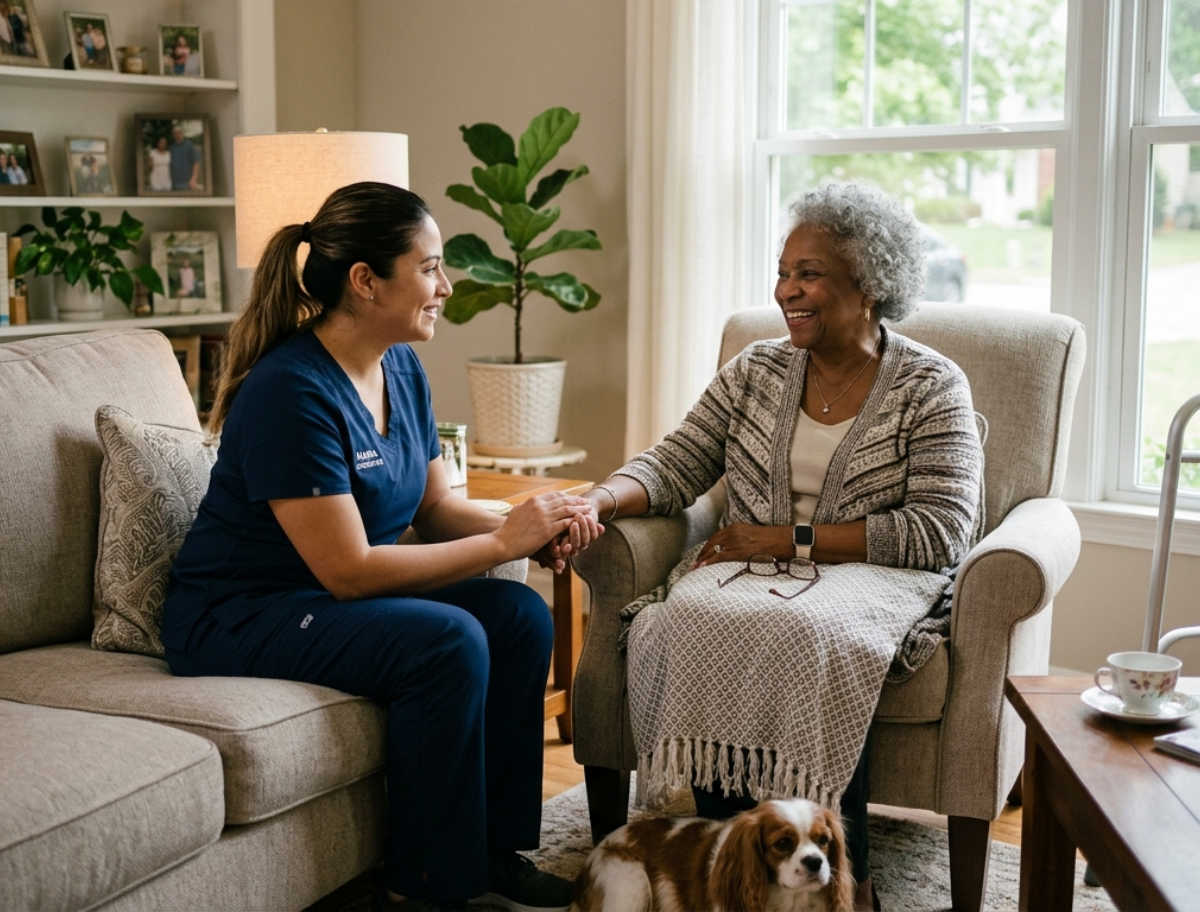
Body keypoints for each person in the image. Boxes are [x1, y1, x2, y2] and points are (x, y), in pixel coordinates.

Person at [160, 182, 601, 912]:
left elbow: (433, 508)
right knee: (448, 639)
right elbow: (351, 572)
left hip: (316, 598)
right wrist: (503, 538)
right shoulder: (289, 391)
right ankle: (426, 885)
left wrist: (534, 520)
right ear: (366, 282)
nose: (445, 285)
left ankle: (494, 850)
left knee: (519, 616)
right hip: (239, 614)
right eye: (428, 267)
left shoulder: (401, 368)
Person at [580, 181, 983, 911]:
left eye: (810, 274)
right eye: (784, 271)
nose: (787, 291)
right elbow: (675, 463)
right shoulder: (757, 370)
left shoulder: (932, 386)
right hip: (750, 565)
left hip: (876, 571)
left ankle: (843, 882)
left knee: (814, 631)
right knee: (684, 618)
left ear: (868, 286)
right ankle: (733, 857)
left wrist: (783, 539)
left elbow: (938, 530)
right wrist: (599, 498)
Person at [168, 124, 201, 191]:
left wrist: (194, 179)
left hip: (186, 183)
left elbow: (196, 162)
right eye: (175, 133)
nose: (177, 135)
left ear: (182, 133)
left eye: (179, 132)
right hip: (173, 183)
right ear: (173, 135)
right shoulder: (171, 148)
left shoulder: (190, 145)